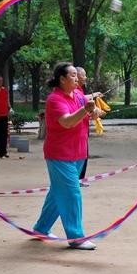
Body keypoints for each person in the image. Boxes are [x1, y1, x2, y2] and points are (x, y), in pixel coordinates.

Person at [33, 62, 98, 250]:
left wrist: (94, 112)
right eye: (72, 75)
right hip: (60, 155)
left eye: (77, 75)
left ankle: (41, 228)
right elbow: (67, 122)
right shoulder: (55, 100)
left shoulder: (77, 95)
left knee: (57, 193)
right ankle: (76, 237)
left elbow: (87, 114)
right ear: (61, 79)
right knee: (72, 193)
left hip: (78, 153)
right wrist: (86, 110)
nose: (77, 78)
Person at [75, 67, 103, 186]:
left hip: (83, 128)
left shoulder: (79, 89)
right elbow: (81, 102)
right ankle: (76, 180)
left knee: (83, 154)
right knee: (79, 155)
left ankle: (79, 179)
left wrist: (94, 112)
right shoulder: (74, 90)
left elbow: (83, 102)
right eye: (84, 75)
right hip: (77, 129)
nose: (85, 77)